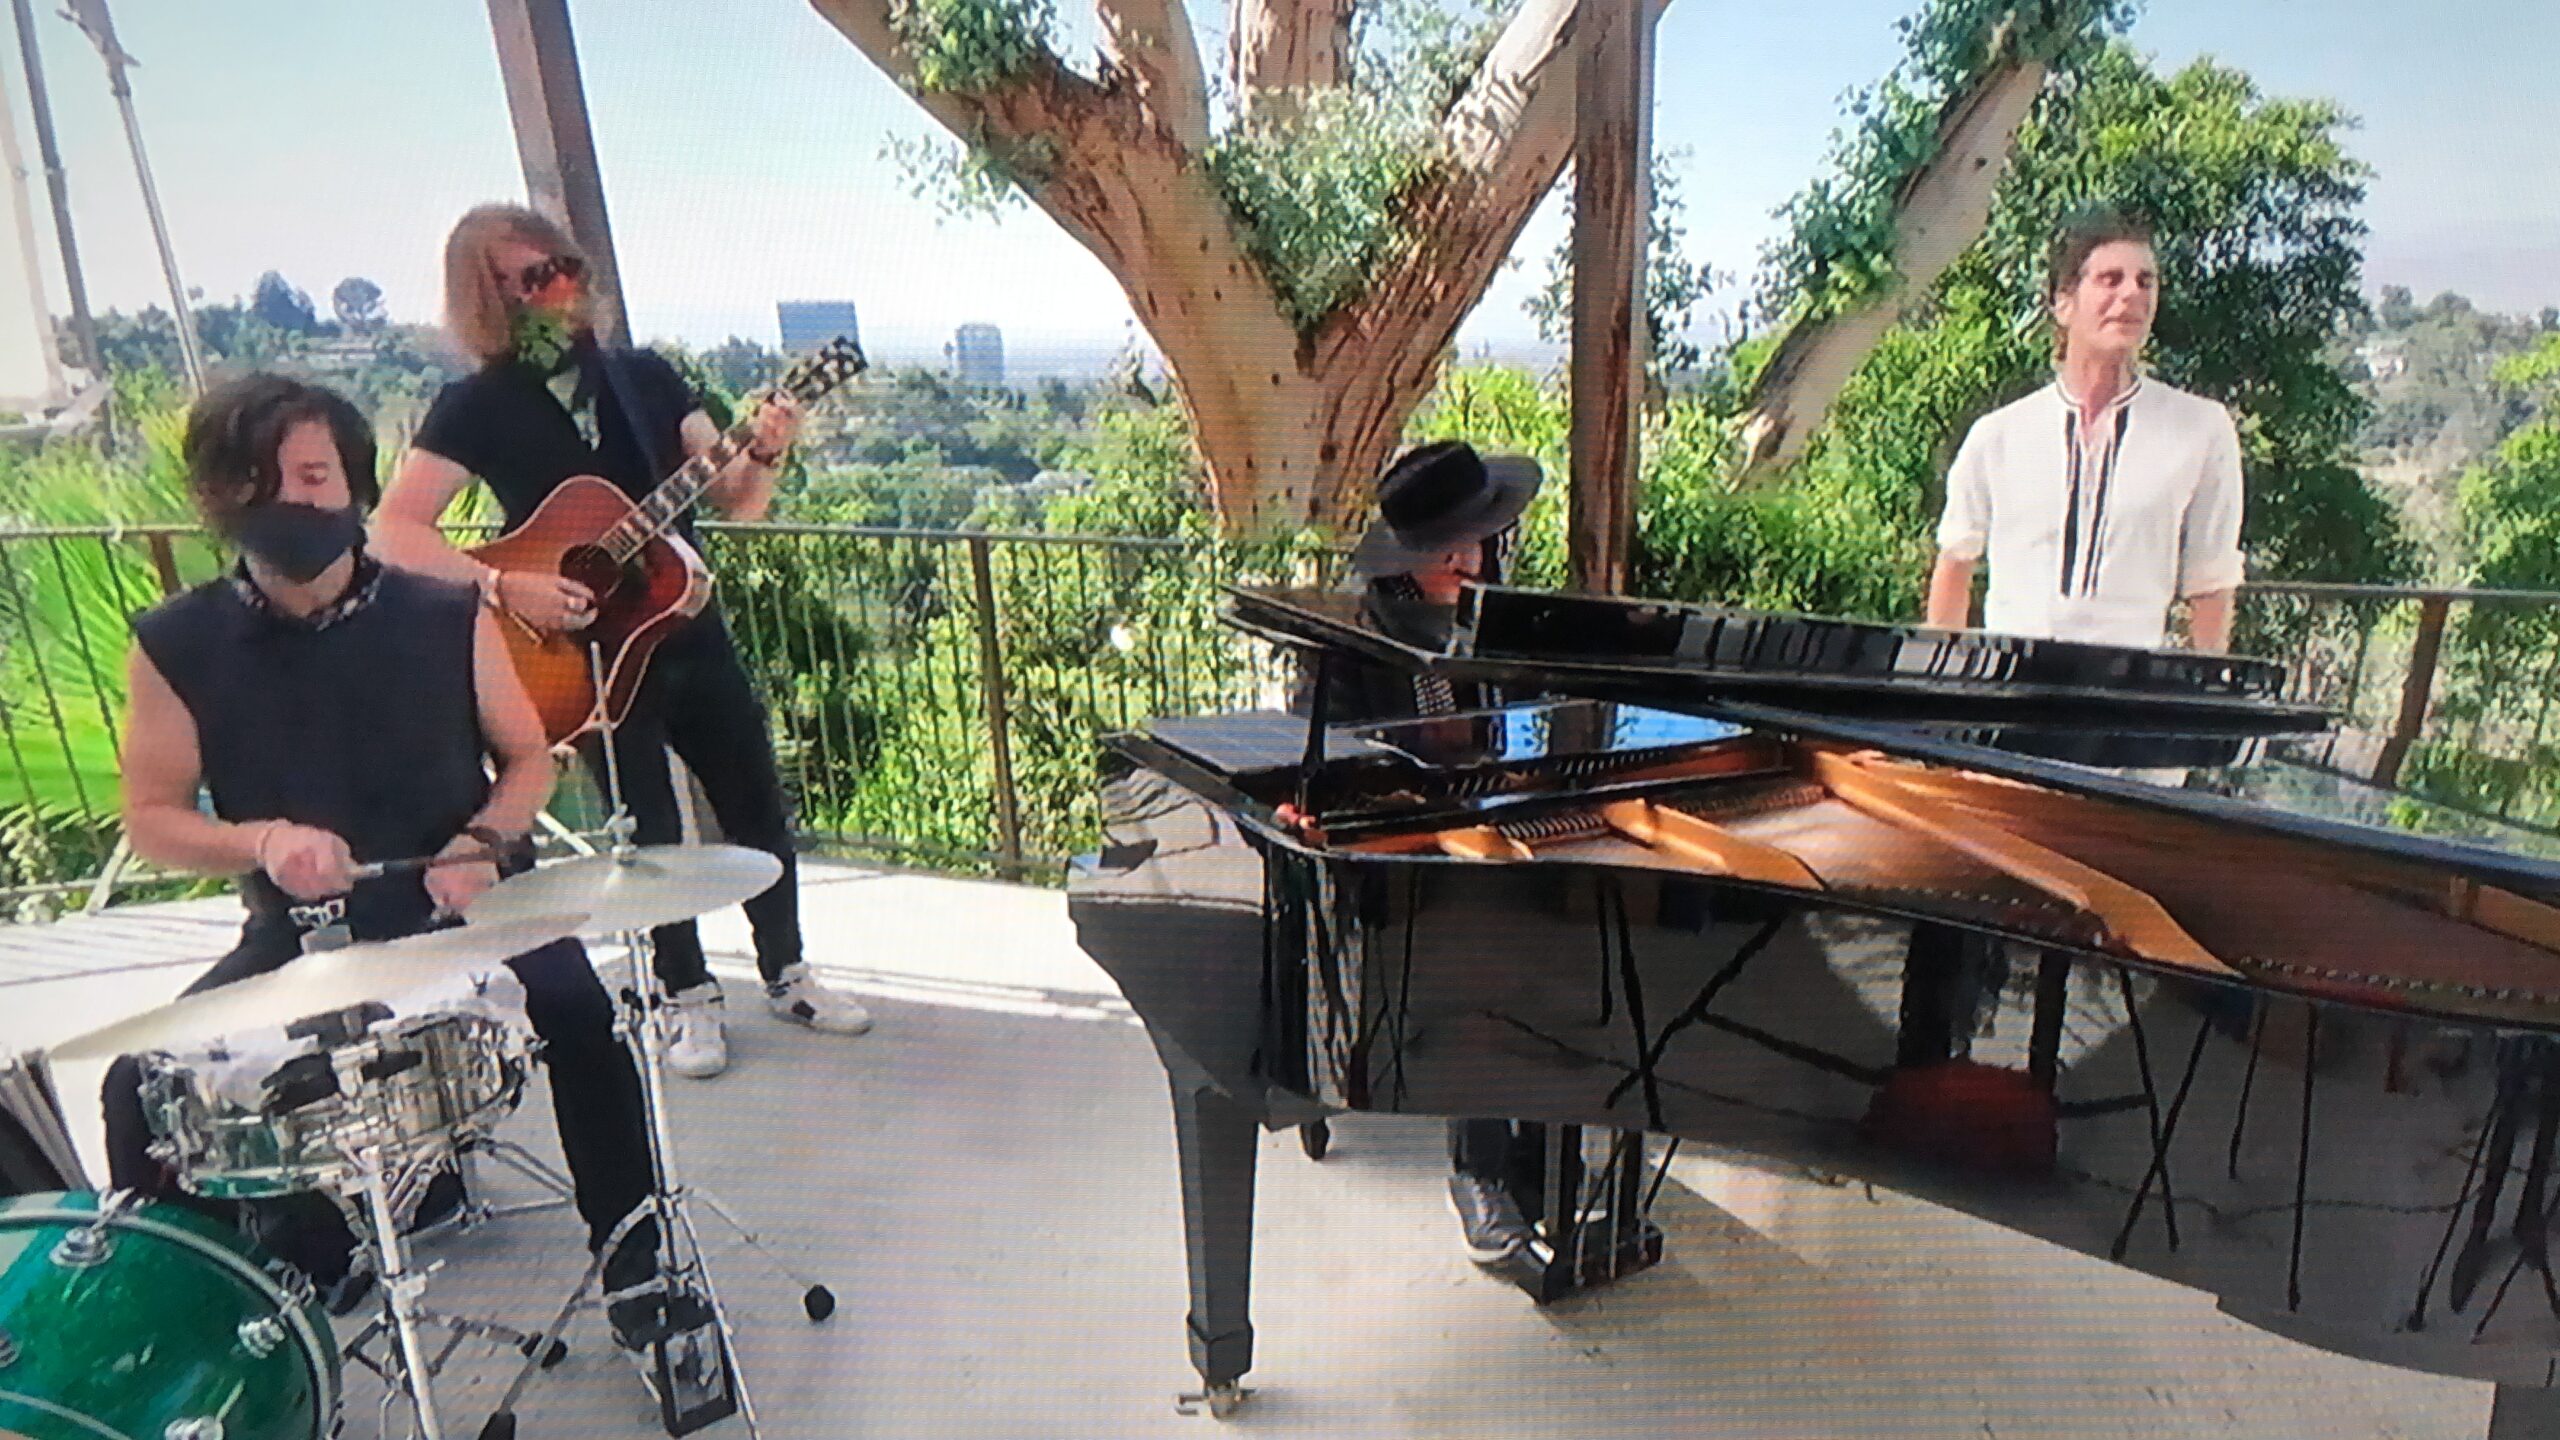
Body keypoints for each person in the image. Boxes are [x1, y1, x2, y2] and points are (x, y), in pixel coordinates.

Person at [98, 374, 673, 1352]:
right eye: (256, 477)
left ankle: (638, 1270)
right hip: (301, 932)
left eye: (313, 474)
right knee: (136, 1084)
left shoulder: (445, 609)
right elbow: (151, 818)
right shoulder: (177, 642)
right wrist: (261, 843)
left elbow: (532, 757)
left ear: (356, 486)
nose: (289, 498)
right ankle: (214, 1332)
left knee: (581, 1013)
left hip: (474, 906)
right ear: (217, 496)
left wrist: (483, 840)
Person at [373, 203, 869, 1080]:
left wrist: (770, 448)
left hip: (687, 626)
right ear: (490, 299)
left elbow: (735, 499)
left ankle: (787, 970)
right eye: (533, 278)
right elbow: (394, 531)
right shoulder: (476, 407)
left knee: (755, 803)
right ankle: (687, 998)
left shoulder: (643, 378)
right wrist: (503, 584)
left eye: (564, 266)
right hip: (585, 658)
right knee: (650, 840)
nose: (561, 287)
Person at [1302, 439, 1551, 1266]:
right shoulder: (1353, 638)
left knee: (1586, 918)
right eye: (1448, 548)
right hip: (1392, 857)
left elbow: (1538, 713)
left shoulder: (1494, 608)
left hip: (1491, 825)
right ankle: (1480, 1170)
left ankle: (1551, 1149)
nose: (1467, 560)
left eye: (1475, 541)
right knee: (1476, 948)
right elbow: (1327, 768)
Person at [1925, 207, 2246, 652]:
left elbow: (2210, 581)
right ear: (2063, 302)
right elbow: (1956, 562)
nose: (2131, 294)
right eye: (2111, 279)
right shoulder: (1998, 436)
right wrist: (1941, 692)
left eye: (2145, 281)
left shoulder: (2200, 429)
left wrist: (2204, 700)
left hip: (2126, 693)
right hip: (2010, 688)